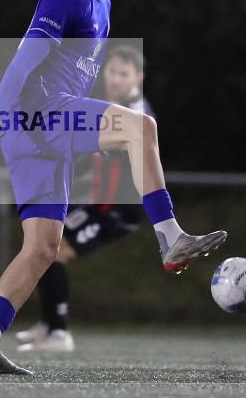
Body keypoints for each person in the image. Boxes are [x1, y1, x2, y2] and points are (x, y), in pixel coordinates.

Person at [0, 0, 227, 375]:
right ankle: (169, 239)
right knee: (141, 127)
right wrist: (1, 111)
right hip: (40, 114)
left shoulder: (102, 2)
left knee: (43, 248)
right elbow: (29, 53)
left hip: (40, 131)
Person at [15, 45, 153, 352]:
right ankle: (50, 324)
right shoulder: (109, 105)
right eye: (112, 71)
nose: (116, 79)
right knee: (41, 241)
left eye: (124, 73)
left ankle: (59, 334)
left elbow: (123, 153)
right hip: (97, 203)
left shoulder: (138, 112)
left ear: (138, 77)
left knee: (55, 251)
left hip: (117, 209)